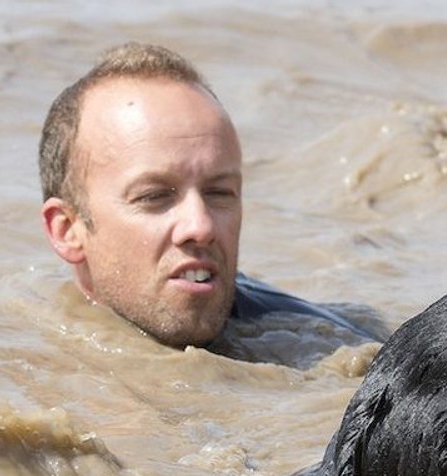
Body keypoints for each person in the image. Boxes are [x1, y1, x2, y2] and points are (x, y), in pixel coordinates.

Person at [38, 42, 372, 349]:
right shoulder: (12, 371)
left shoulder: (328, 347)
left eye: (219, 193)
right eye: (155, 196)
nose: (201, 226)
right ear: (67, 230)